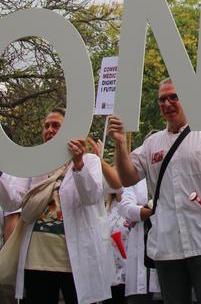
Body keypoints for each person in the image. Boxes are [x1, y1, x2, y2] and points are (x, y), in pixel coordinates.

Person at [107, 78, 201, 304]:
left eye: (173, 97)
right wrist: (120, 143)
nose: (167, 104)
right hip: (167, 243)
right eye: (162, 99)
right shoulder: (152, 143)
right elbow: (127, 177)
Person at [0, 107, 115, 304]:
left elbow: (91, 197)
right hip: (36, 258)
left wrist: (78, 164)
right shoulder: (34, 162)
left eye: (56, 126)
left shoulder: (90, 160)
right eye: (46, 126)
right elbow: (13, 201)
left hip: (73, 260)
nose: (49, 130)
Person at [118, 178, 162, 304]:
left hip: (167, 246)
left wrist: (144, 209)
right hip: (141, 249)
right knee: (140, 297)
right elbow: (125, 207)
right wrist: (150, 211)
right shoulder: (135, 177)